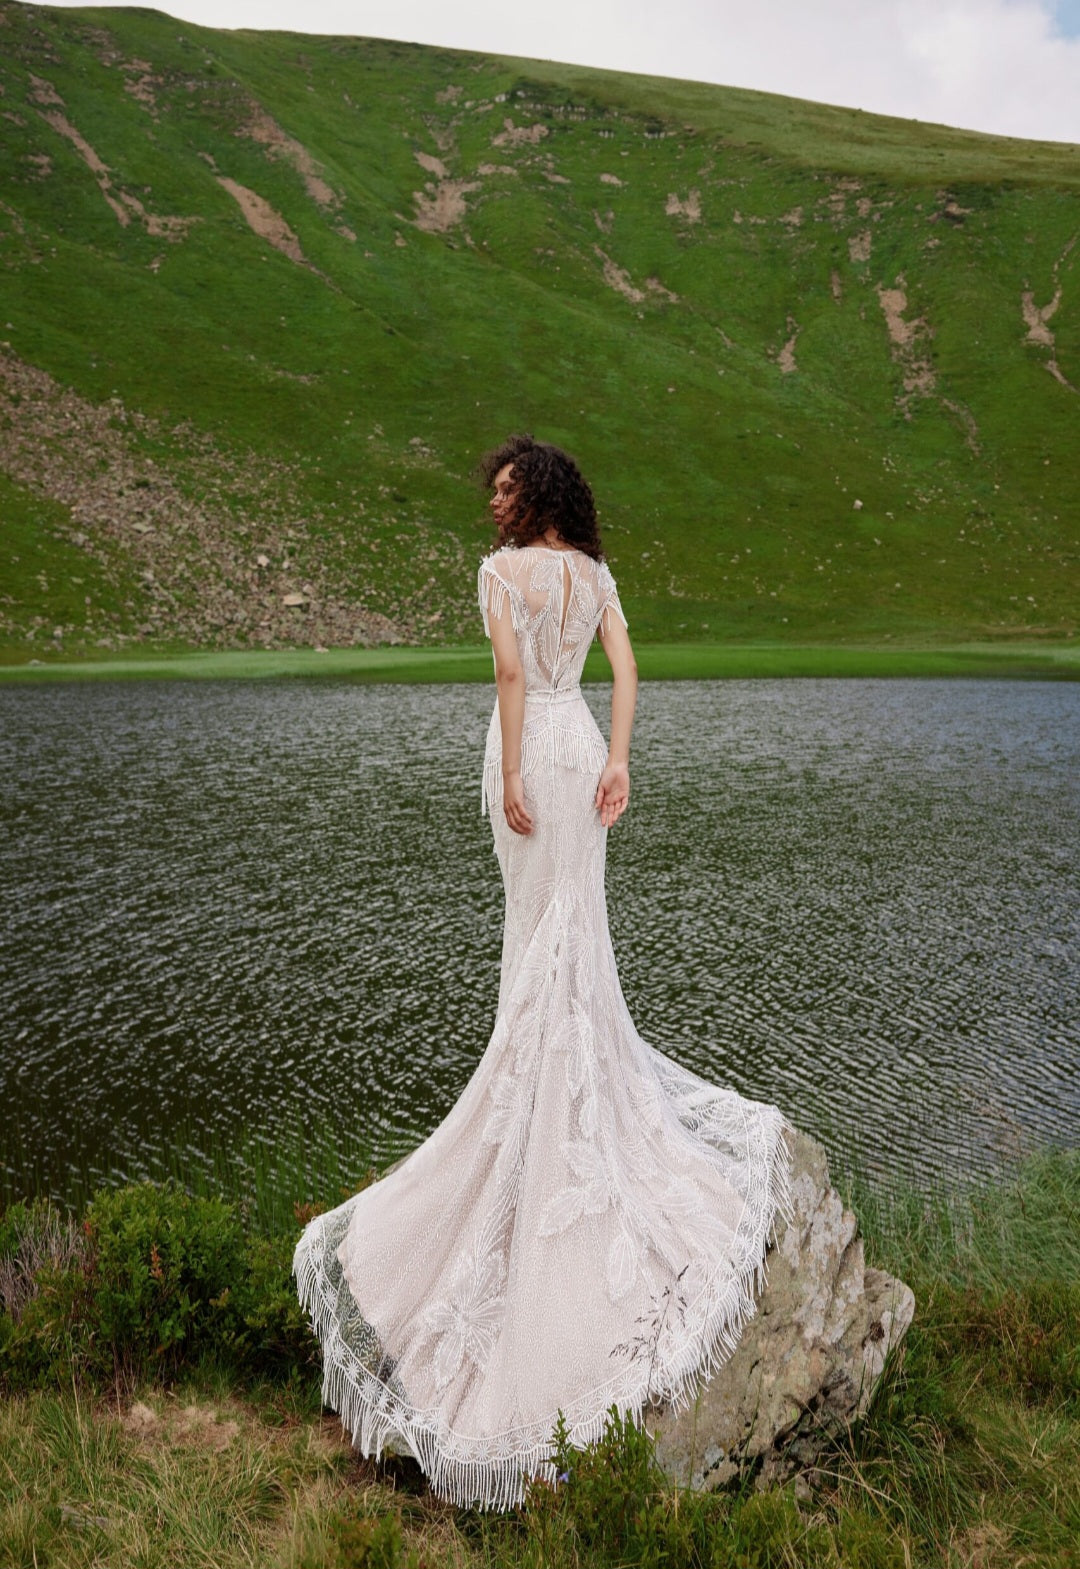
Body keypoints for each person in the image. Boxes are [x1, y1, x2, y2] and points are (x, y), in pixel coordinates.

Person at [292, 434, 796, 1511]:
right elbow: (626, 671)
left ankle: (535, 1128)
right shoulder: (597, 577)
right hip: (585, 758)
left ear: (541, 494)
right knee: (571, 940)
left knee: (541, 945)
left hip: (531, 758)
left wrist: (513, 770)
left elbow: (513, 676)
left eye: (508, 488)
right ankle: (563, 1105)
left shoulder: (503, 574)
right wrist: (618, 760)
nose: (495, 505)